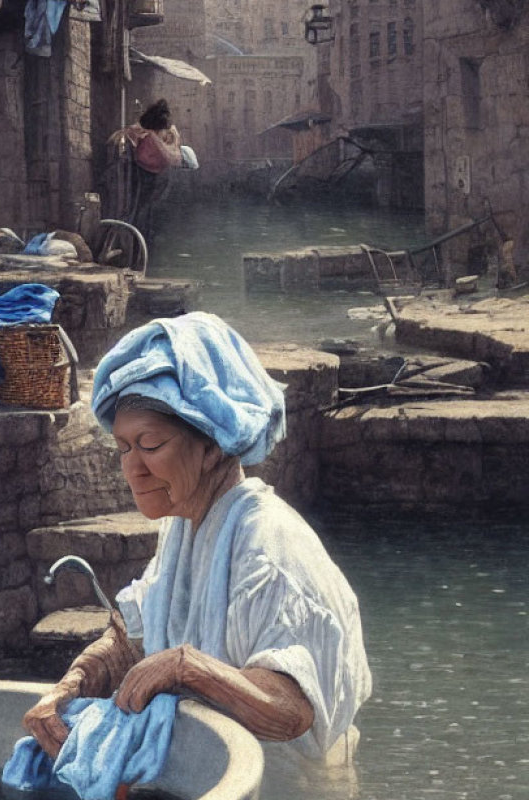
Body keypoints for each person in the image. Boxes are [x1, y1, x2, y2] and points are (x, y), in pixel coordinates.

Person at [22, 312, 372, 777]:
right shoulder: (186, 524)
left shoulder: (268, 546)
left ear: (213, 445)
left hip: (292, 785)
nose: (132, 469)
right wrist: (70, 687)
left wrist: (187, 667)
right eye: (124, 447)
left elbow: (290, 710)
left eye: (149, 444)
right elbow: (134, 634)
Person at [103, 99, 185, 268]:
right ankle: (134, 256)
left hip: (156, 174)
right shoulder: (142, 131)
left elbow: (173, 155)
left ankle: (143, 256)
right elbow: (120, 140)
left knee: (146, 215)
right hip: (141, 173)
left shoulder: (168, 132)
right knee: (136, 214)